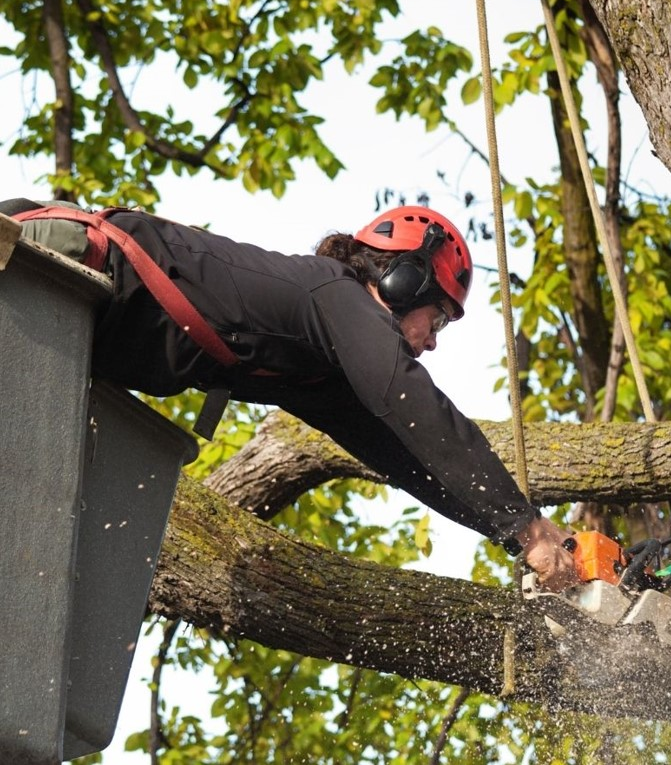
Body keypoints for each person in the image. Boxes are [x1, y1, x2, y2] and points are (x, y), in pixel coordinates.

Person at [2, 198, 577, 591]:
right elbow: (413, 402)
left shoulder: (321, 368)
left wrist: (514, 532)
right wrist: (527, 528)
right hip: (49, 261)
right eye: (438, 319)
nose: (431, 343)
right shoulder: (336, 293)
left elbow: (410, 456)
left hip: (65, 322)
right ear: (406, 279)